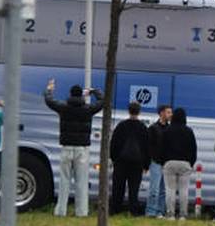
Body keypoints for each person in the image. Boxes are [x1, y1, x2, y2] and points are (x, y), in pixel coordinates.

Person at [43, 80, 104, 217]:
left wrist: (49, 89)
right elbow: (102, 101)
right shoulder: (87, 109)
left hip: (66, 147)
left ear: (70, 94)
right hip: (81, 149)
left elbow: (49, 101)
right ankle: (81, 212)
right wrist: (94, 91)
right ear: (82, 95)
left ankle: (61, 211)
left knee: (64, 180)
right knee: (81, 181)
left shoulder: (64, 107)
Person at [110, 102, 150, 215]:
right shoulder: (143, 127)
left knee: (118, 187)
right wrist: (146, 164)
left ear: (129, 111)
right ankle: (133, 211)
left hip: (121, 162)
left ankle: (115, 209)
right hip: (137, 163)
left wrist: (114, 159)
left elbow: (114, 144)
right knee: (134, 188)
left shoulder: (121, 126)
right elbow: (147, 147)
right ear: (139, 112)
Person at [160, 107, 197, 220]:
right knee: (183, 190)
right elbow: (193, 148)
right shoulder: (189, 131)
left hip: (169, 163)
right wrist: (191, 163)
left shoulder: (167, 130)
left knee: (170, 190)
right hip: (185, 163)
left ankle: (170, 214)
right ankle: (183, 215)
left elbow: (162, 148)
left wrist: (163, 162)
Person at [144, 104, 172, 218]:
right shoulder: (153, 128)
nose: (170, 114)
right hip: (156, 162)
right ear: (161, 113)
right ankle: (151, 211)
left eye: (171, 112)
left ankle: (160, 211)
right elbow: (148, 146)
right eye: (168, 112)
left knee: (163, 190)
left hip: (166, 163)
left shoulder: (170, 129)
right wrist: (147, 162)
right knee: (154, 189)